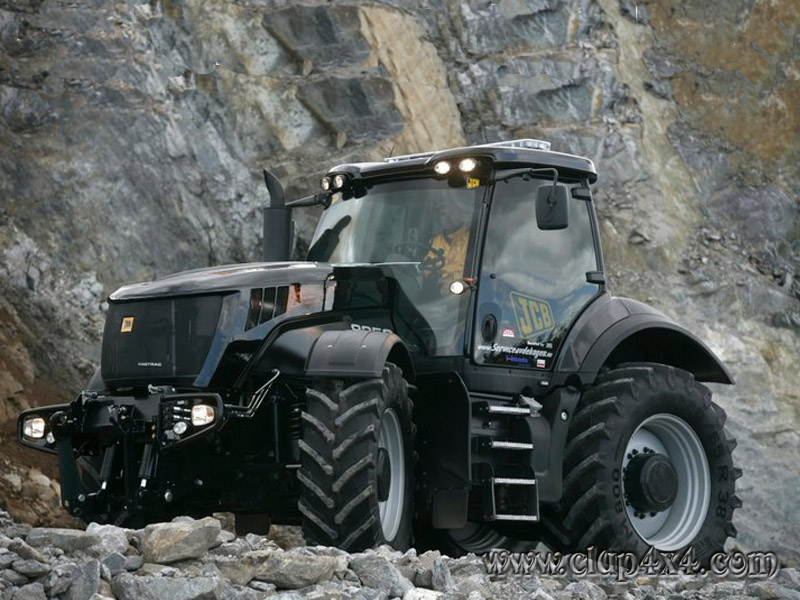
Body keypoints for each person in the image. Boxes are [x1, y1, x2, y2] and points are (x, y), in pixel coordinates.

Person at [423, 201, 470, 293]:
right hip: (440, 285)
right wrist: (419, 274)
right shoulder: (435, 241)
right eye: (443, 214)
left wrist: (455, 281)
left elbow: (482, 269)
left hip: (465, 287)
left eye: (452, 213)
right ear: (439, 218)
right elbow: (428, 265)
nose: (447, 218)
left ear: (461, 214)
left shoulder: (473, 238)